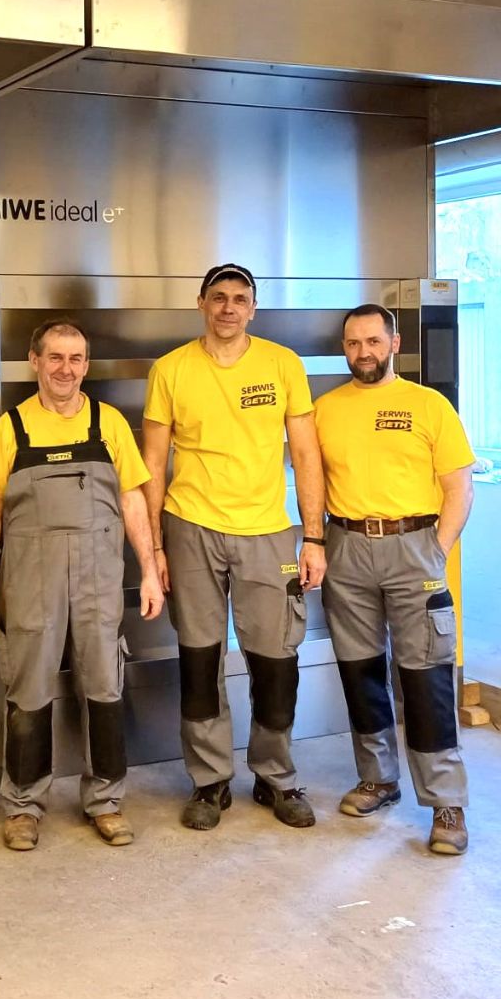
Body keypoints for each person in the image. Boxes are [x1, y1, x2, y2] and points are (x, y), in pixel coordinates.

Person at [141, 263, 328, 831]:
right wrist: (155, 548)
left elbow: (306, 454)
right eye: (218, 297)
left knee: (276, 662)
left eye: (239, 299)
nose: (228, 307)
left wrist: (313, 535)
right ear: (201, 303)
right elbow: (153, 462)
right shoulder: (171, 369)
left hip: (268, 531)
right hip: (190, 526)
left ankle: (275, 775)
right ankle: (210, 781)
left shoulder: (282, 364)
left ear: (253, 308)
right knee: (200, 660)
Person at [0, 318, 165, 852]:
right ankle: (23, 806)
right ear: (35, 361)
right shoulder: (11, 428)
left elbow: (132, 500)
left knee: (104, 686)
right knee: (29, 691)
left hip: (99, 578)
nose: (66, 369)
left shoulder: (109, 424)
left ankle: (106, 801)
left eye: (76, 358)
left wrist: (149, 570)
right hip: (31, 579)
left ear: (86, 365)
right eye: (55, 357)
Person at [314, 303, 476, 856]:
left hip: (415, 546)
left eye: (373, 342)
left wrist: (436, 551)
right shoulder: (326, 409)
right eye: (353, 343)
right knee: (360, 671)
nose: (363, 352)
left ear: (394, 343)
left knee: (426, 677)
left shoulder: (428, 405)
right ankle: (378, 779)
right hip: (346, 547)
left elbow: (459, 488)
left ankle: (446, 802)